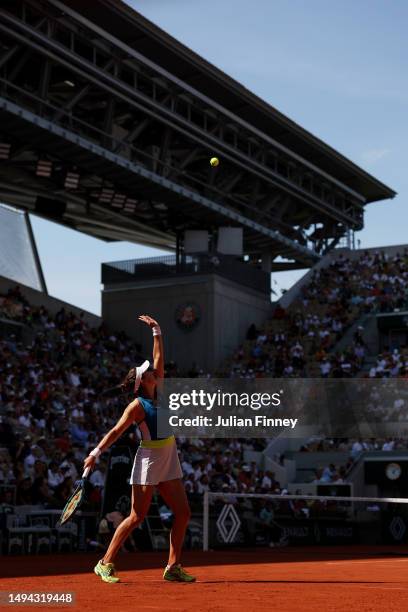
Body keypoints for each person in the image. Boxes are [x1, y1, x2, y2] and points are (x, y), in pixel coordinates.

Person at [84, 315, 195, 584]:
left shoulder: (160, 390)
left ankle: (172, 567)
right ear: (142, 381)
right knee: (136, 516)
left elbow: (159, 357)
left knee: (183, 513)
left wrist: (157, 330)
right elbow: (114, 432)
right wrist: (95, 454)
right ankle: (104, 563)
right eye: (148, 372)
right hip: (149, 460)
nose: (154, 371)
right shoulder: (136, 406)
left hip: (169, 456)